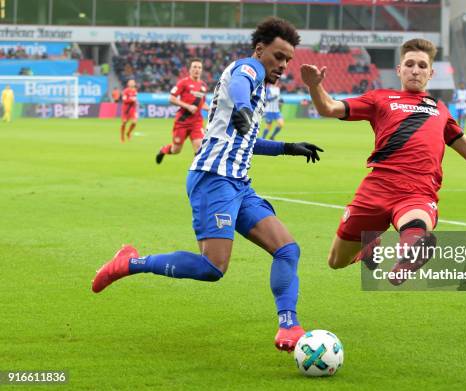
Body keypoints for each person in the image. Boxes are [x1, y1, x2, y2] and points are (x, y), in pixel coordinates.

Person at [93, 17, 323, 352]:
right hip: (214, 179)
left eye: (288, 59)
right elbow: (243, 86)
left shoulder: (256, 91)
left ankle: (289, 326)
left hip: (239, 184)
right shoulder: (248, 69)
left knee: (287, 249)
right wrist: (243, 107)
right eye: (278, 56)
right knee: (213, 268)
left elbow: (247, 142)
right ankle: (129, 262)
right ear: (260, 50)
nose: (284, 65)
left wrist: (288, 147)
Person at [300, 38, 466, 285]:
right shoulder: (379, 98)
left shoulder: (440, 109)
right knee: (335, 261)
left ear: (431, 73)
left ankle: (414, 250)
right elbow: (328, 107)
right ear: (399, 69)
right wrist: (314, 86)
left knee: (415, 229)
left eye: (422, 66)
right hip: (376, 188)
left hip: (418, 190)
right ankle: (369, 247)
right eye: (410, 64)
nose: (416, 70)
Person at [156, 58, 210, 164]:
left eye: (199, 67)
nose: (197, 69)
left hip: (196, 122)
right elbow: (171, 98)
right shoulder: (183, 83)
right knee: (176, 150)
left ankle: (196, 174)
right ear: (190, 69)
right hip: (182, 121)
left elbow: (201, 103)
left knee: (199, 147)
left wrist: (210, 108)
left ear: (201, 70)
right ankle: (163, 150)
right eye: (194, 67)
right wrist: (188, 106)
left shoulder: (203, 86)